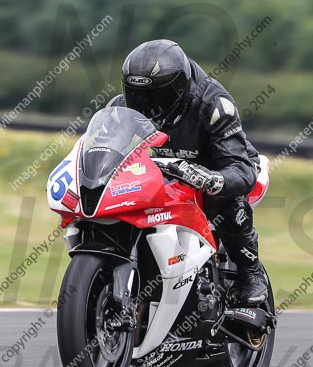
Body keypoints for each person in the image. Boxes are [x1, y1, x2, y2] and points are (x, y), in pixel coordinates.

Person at [108, 39, 267, 305]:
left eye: (157, 95)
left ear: (180, 87)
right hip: (161, 177)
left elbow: (241, 169)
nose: (147, 103)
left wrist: (212, 179)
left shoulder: (214, 104)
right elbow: (105, 153)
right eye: (139, 94)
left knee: (224, 201)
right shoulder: (121, 108)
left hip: (218, 169)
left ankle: (251, 273)